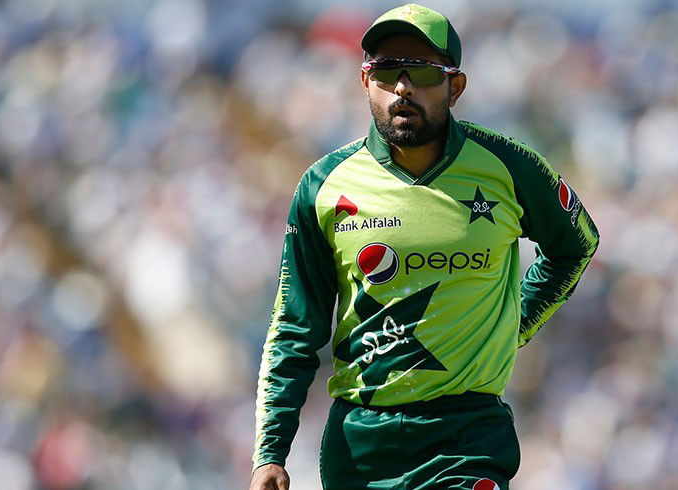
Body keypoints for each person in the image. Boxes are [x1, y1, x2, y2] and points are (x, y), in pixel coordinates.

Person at [249, 4, 599, 489]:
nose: (402, 88)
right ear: (364, 80)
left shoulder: (507, 166)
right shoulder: (324, 185)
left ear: (455, 87)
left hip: (468, 434)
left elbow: (577, 243)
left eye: (423, 73)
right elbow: (296, 326)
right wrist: (270, 452)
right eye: (387, 70)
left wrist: (517, 324)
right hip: (362, 444)